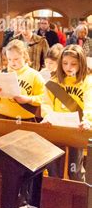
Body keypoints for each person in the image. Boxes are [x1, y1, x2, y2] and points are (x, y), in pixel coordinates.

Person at [41, 45, 91, 182]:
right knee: (54, 170)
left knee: (74, 171)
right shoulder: (53, 82)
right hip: (56, 127)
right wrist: (47, 117)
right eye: (65, 63)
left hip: (77, 129)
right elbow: (46, 103)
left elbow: (89, 103)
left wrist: (87, 120)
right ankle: (55, 199)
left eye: (74, 64)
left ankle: (78, 200)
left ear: (82, 63)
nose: (69, 67)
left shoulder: (87, 81)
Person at [0, 40, 44, 122]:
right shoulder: (2, 73)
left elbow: (43, 98)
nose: (12, 62)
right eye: (9, 59)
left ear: (25, 56)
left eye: (16, 59)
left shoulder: (34, 75)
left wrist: (28, 99)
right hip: (1, 116)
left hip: (23, 119)